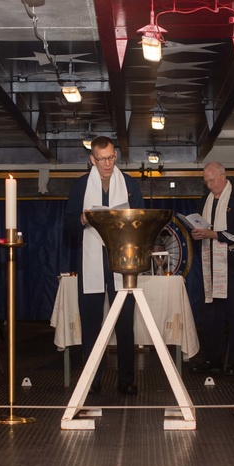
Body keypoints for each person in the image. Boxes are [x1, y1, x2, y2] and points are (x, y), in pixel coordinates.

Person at [64, 136, 144, 395]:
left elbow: (141, 220)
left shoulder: (130, 184)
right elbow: (67, 226)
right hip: (91, 261)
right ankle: (93, 377)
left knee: (124, 322)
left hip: (122, 261)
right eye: (102, 159)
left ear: (116, 156)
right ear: (92, 159)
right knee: (91, 324)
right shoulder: (80, 187)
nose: (107, 164)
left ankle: (127, 379)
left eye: (111, 158)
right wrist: (81, 219)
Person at [189, 162, 234, 375]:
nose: (209, 185)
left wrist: (213, 234)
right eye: (206, 181)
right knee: (210, 314)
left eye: (212, 180)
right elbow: (200, 226)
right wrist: (196, 233)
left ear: (223, 177)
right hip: (210, 263)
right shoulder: (204, 200)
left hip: (233, 263)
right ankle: (213, 358)